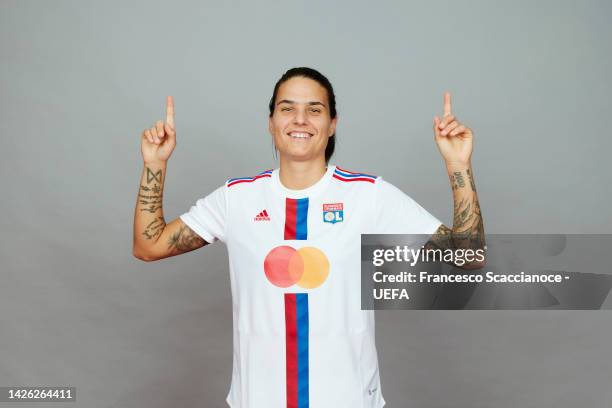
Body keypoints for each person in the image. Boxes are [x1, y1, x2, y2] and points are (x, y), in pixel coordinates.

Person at [132, 67, 485, 408]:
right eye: (287, 109)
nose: (300, 120)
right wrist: (155, 164)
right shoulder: (236, 199)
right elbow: (149, 246)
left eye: (314, 110)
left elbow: (468, 261)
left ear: (332, 124)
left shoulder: (369, 195)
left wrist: (458, 165)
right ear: (271, 122)